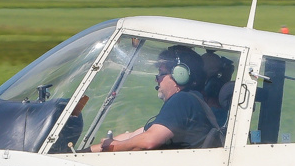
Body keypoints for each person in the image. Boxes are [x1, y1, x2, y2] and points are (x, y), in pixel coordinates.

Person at [90, 46, 219, 152]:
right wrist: (89, 151)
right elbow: (132, 136)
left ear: (180, 76)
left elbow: (149, 141)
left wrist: (114, 147)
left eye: (161, 74)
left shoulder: (183, 100)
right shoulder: (191, 100)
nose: (157, 79)